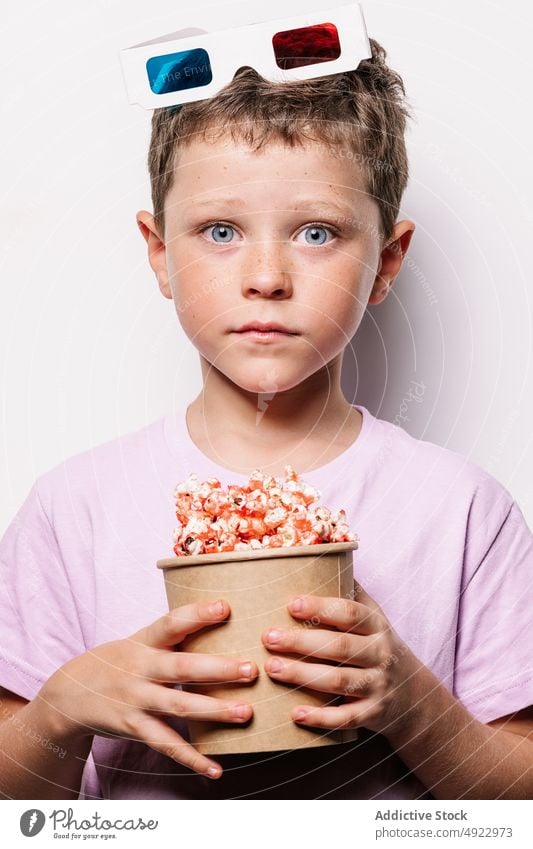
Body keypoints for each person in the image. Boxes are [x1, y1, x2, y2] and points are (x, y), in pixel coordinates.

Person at [1, 38, 532, 801]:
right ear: (159, 254)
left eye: (316, 232)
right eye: (219, 231)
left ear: (385, 259)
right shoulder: (71, 512)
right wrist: (58, 714)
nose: (265, 278)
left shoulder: (463, 513)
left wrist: (412, 706)